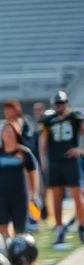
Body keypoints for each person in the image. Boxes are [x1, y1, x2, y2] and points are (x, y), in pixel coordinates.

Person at [38, 90, 84, 246]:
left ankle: (82, 226)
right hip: (55, 161)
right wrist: (43, 162)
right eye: (57, 103)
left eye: (62, 103)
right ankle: (59, 228)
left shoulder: (75, 117)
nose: (60, 106)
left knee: (77, 195)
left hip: (70, 161)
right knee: (56, 197)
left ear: (67, 103)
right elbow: (43, 142)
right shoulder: (48, 120)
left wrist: (80, 150)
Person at [0, 123, 38, 236]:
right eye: (5, 131)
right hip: (1, 197)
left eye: (11, 131)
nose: (8, 134)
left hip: (19, 196)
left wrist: (34, 192)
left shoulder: (24, 153)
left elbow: (33, 172)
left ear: (16, 134)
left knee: (20, 230)